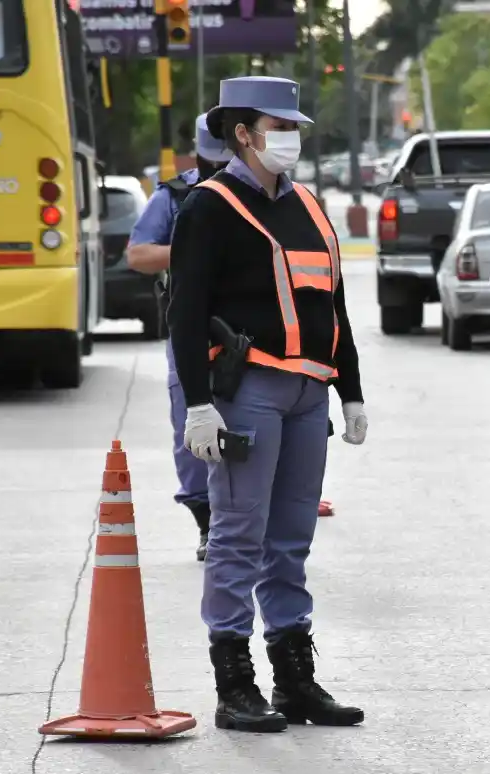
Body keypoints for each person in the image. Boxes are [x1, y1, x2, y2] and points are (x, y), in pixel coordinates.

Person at [168, 76, 367, 734]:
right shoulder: (209, 205)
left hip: (310, 393)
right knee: (237, 538)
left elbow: (331, 304)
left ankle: (295, 682)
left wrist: (352, 389)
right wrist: (198, 403)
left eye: (295, 127)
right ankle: (235, 685)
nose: (291, 138)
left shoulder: (307, 205)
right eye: (278, 127)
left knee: (290, 543)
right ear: (242, 134)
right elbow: (186, 310)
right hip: (249, 390)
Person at [127, 114, 233, 562]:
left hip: (259, 326)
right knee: (191, 424)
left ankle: (252, 520)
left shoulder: (274, 189)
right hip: (193, 326)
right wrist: (192, 249)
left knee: (260, 420)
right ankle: (207, 521)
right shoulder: (174, 195)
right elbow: (139, 254)